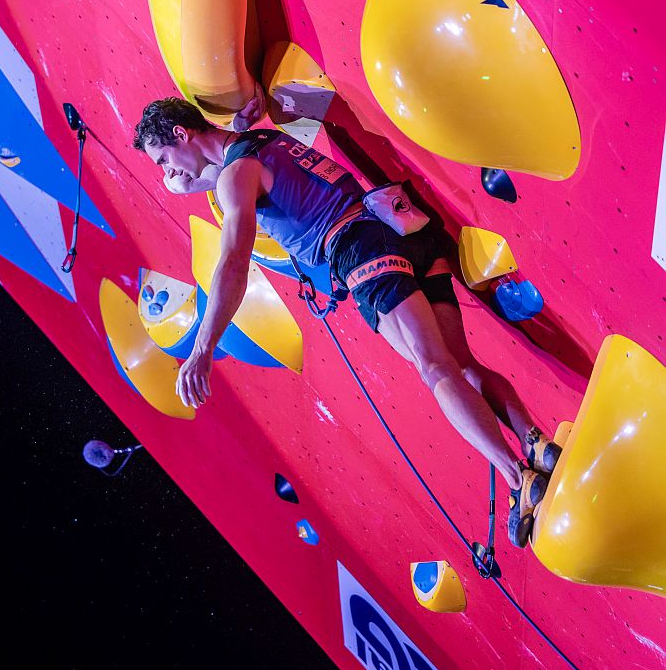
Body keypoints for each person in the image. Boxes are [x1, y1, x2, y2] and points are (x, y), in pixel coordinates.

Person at [133, 96, 561, 548]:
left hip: (362, 251)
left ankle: (519, 480)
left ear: (181, 134)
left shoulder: (235, 176)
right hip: (401, 226)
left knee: (435, 367)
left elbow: (234, 264)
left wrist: (203, 349)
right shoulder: (258, 142)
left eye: (163, 160)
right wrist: (184, 176)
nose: (168, 171)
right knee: (461, 362)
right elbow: (211, 171)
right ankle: (536, 444)